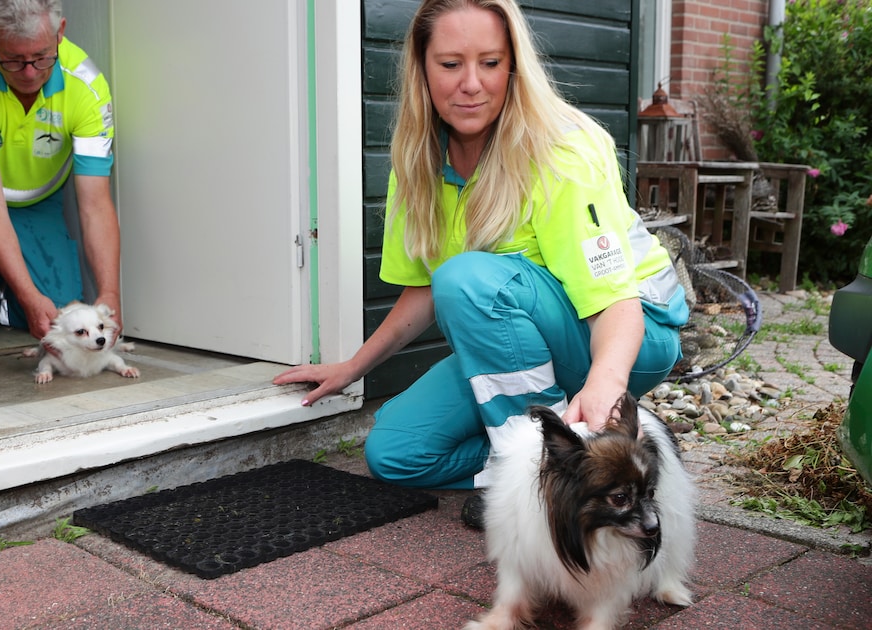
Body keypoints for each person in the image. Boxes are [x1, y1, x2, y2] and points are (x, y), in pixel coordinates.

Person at [273, 0, 688, 506]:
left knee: (467, 278)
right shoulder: (418, 163)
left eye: (490, 63)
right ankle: (560, 458)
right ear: (422, 68)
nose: (471, 83)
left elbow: (613, 300)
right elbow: (425, 289)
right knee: (396, 453)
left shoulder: (561, 151)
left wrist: (607, 381)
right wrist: (352, 367)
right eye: (450, 64)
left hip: (630, 334)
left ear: (513, 67)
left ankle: (541, 481)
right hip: (530, 342)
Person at [0, 0, 122, 352]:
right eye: (12, 59)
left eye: (42, 57)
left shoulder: (87, 85)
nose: (29, 73)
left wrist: (110, 294)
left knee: (58, 319)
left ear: (60, 32)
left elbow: (95, 205)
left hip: (33, 199)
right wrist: (26, 293)